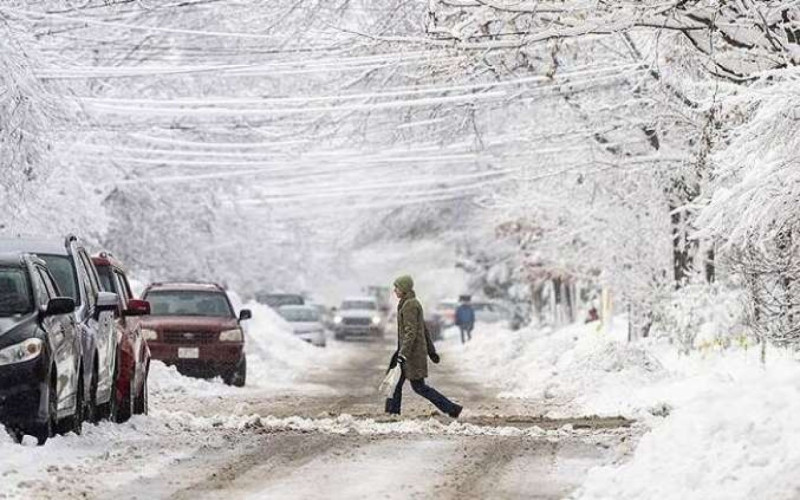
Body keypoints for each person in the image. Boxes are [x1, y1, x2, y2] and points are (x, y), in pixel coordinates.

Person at [385, 275, 463, 418]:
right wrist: (431, 351)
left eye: (397, 287)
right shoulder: (408, 303)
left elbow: (411, 332)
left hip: (410, 353)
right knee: (396, 381)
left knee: (418, 386)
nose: (394, 290)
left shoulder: (410, 305)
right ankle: (392, 411)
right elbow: (423, 329)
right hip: (407, 351)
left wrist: (403, 354)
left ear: (404, 288)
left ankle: (452, 408)